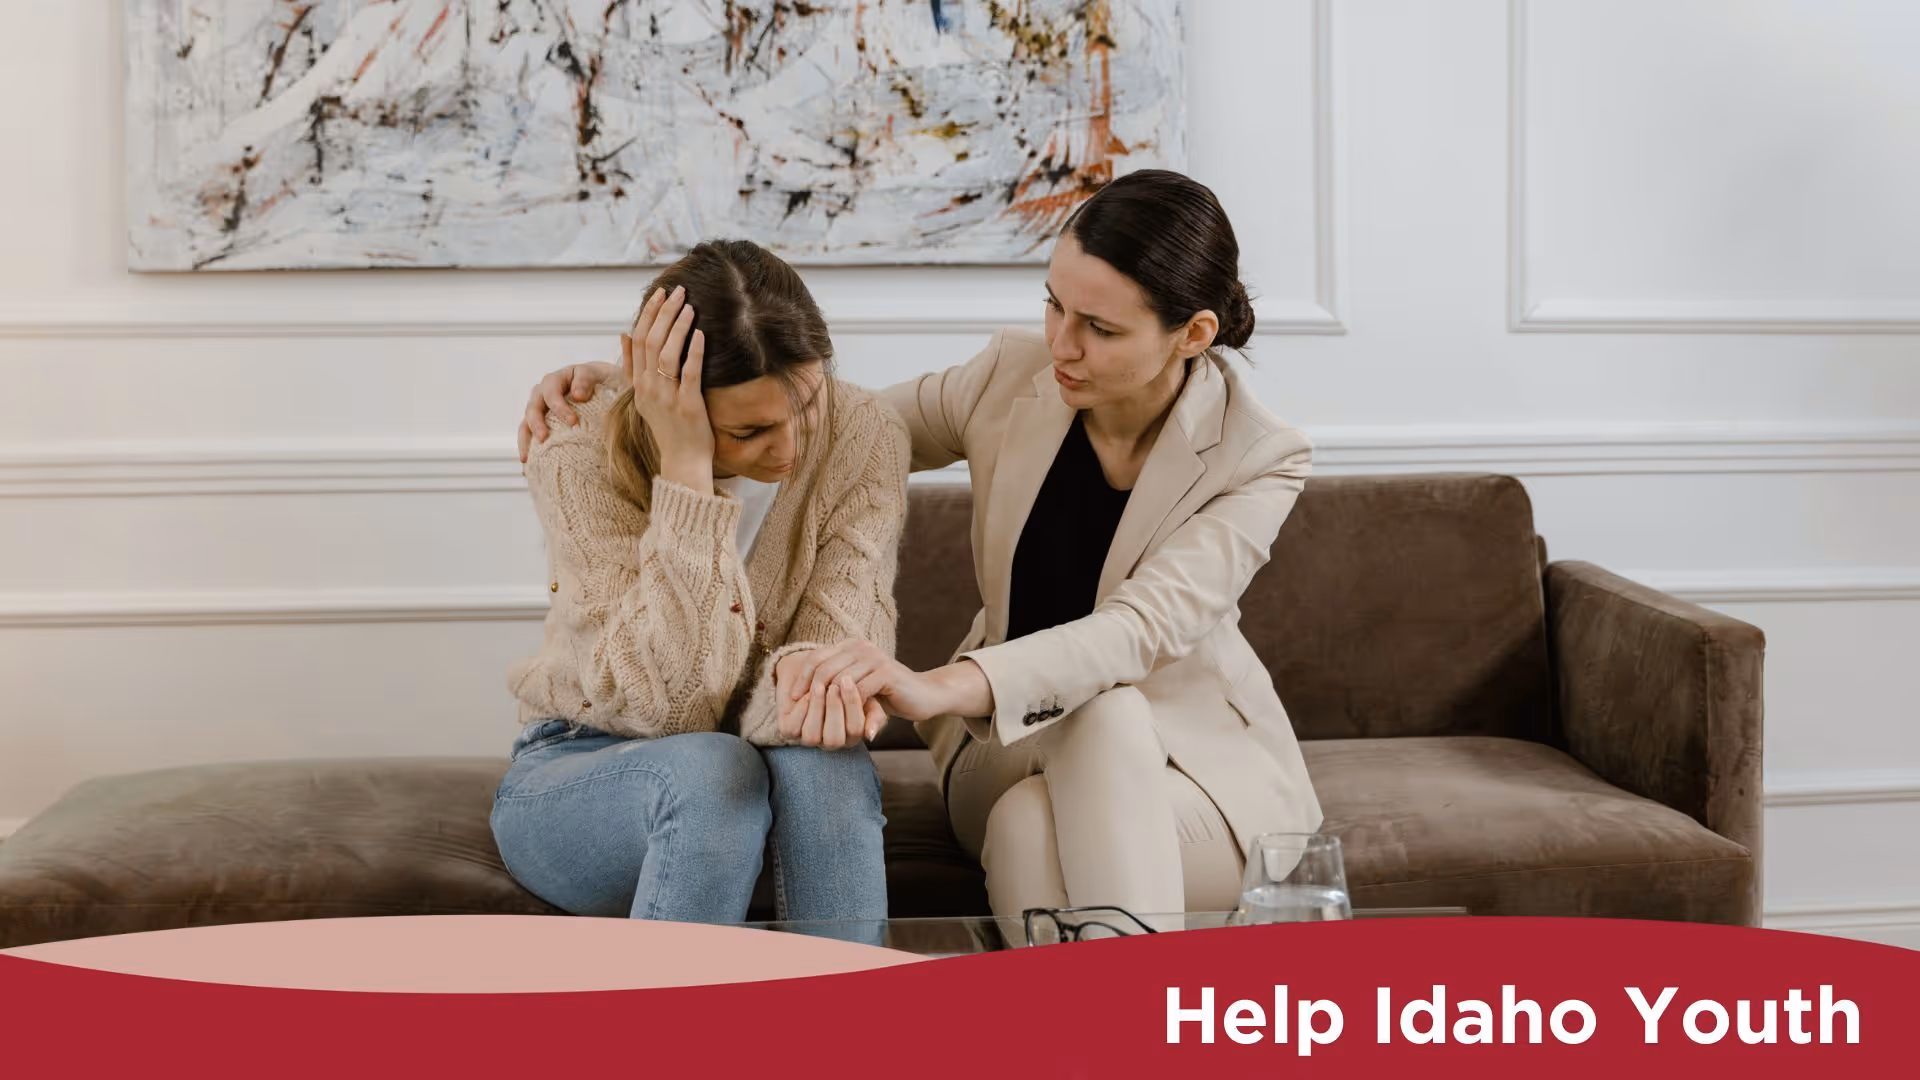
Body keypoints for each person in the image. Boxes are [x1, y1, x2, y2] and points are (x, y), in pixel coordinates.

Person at [517, 172, 1321, 924]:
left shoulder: (1260, 455)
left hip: (1191, 782)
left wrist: (943, 686)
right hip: (1009, 755)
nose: (1062, 345)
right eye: (1055, 307)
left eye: (1099, 328)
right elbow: (827, 422)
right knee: (1026, 805)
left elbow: (1137, 631)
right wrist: (641, 386)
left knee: (1072, 763)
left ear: (1194, 333)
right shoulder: (1015, 377)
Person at [493, 239, 908, 925]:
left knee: (824, 763)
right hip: (589, 767)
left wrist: (822, 687)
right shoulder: (576, 446)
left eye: (805, 407)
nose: (789, 449)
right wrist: (685, 468)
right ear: (669, 401)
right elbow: (669, 710)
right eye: (748, 431)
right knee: (714, 771)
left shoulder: (863, 431)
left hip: (766, 764)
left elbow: (831, 672)